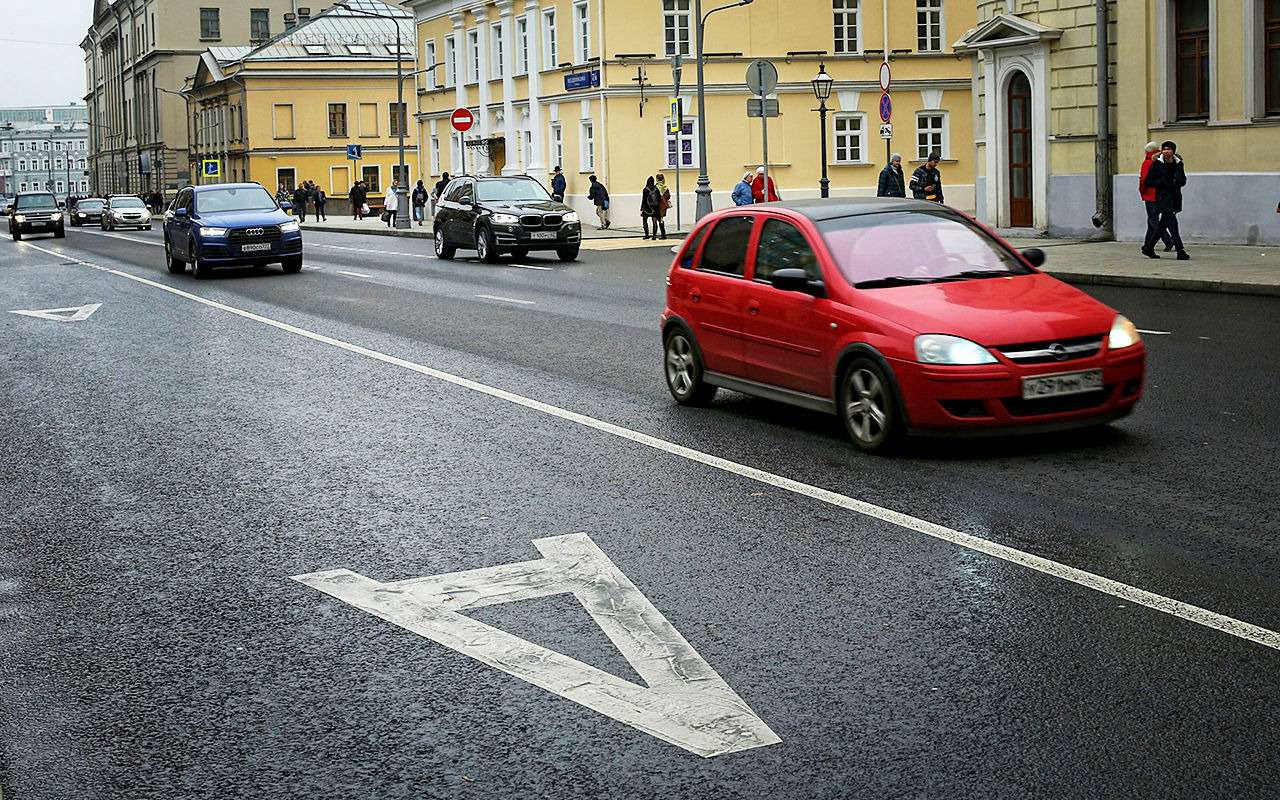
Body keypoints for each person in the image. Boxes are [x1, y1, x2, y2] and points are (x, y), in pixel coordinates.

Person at [1142, 140, 1189, 260]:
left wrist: (1177, 181)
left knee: (1162, 225)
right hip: (1163, 198)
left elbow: (1183, 180)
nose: (1166, 151)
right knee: (1173, 224)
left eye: (1169, 149)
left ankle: (1148, 248)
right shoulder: (1157, 164)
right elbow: (1148, 181)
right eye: (1164, 149)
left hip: (1175, 198)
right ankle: (1180, 250)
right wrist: (1162, 182)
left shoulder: (1178, 163)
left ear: (1173, 151)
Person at [1139, 142, 1174, 254]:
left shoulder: (1148, 162)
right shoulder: (1161, 161)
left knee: (1154, 221)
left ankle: (1168, 240)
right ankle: (1147, 244)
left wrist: (1142, 191)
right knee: (1151, 221)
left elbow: (1144, 180)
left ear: (1147, 151)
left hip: (1150, 195)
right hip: (1161, 195)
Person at [654, 173, 670, 239]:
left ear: (657, 179)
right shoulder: (665, 187)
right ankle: (663, 234)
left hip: (657, 205)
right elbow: (668, 196)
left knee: (655, 219)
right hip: (663, 206)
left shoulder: (655, 187)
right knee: (661, 219)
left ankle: (657, 235)